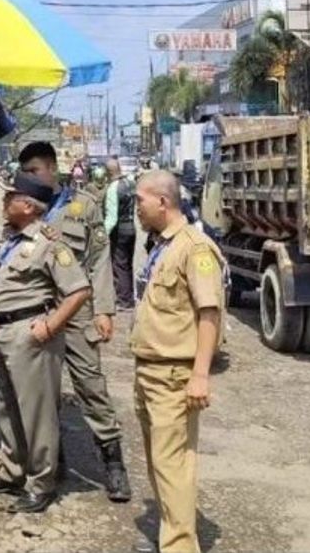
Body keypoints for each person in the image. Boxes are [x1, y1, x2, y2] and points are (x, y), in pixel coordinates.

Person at [18, 142, 131, 502]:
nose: (30, 179)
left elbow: (99, 259)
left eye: (35, 171)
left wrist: (104, 310)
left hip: (77, 308)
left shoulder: (83, 206)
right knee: (43, 389)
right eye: (26, 174)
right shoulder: (25, 209)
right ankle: (53, 461)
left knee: (91, 386)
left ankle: (113, 464)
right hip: (38, 309)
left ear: (52, 168)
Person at [0, 174, 91, 514]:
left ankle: (41, 482)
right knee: (7, 407)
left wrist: (50, 326)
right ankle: (12, 471)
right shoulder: (8, 237)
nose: (3, 203)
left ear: (27, 206)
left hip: (30, 333)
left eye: (9, 197)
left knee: (36, 413)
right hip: (2, 330)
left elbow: (79, 290)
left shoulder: (50, 243)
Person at [131, 170, 224, 553]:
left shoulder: (195, 248)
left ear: (163, 202)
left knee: (174, 467)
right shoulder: (162, 245)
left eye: (140, 200)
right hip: (150, 370)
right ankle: (172, 534)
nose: (135, 207)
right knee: (160, 464)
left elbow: (210, 314)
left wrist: (200, 375)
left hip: (173, 374)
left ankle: (180, 547)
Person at [105, 158, 138, 310]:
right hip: (133, 228)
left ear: (108, 172)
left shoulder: (113, 188)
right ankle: (130, 296)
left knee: (120, 266)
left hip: (120, 232)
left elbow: (112, 218)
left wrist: (102, 235)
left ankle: (124, 301)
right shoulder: (131, 183)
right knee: (129, 264)